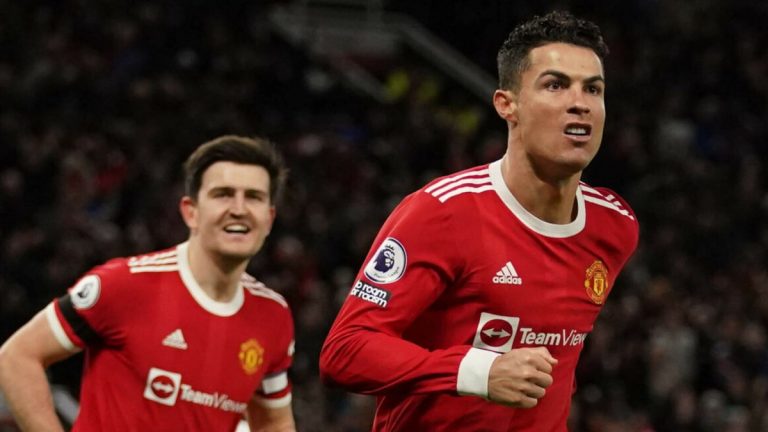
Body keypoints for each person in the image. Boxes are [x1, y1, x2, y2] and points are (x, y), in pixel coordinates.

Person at [319, 10, 639, 432]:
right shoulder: (442, 212)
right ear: (507, 105)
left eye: (593, 89)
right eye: (555, 85)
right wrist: (479, 372)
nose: (579, 103)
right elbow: (345, 351)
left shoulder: (614, 225)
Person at [0, 136, 297, 431]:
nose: (239, 209)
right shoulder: (125, 285)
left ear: (269, 219)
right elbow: (18, 356)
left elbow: (274, 423)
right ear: (190, 212)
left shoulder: (273, 315)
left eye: (254, 197)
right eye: (223, 194)